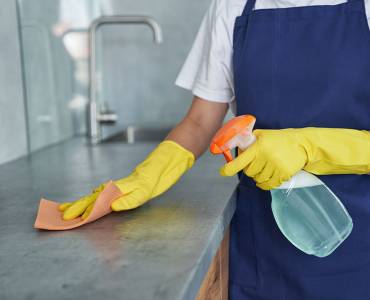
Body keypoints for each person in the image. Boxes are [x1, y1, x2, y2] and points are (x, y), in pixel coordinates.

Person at [59, 0, 370, 298]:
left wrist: (308, 147)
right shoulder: (233, 6)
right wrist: (147, 176)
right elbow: (199, 122)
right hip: (263, 246)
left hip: (360, 242)